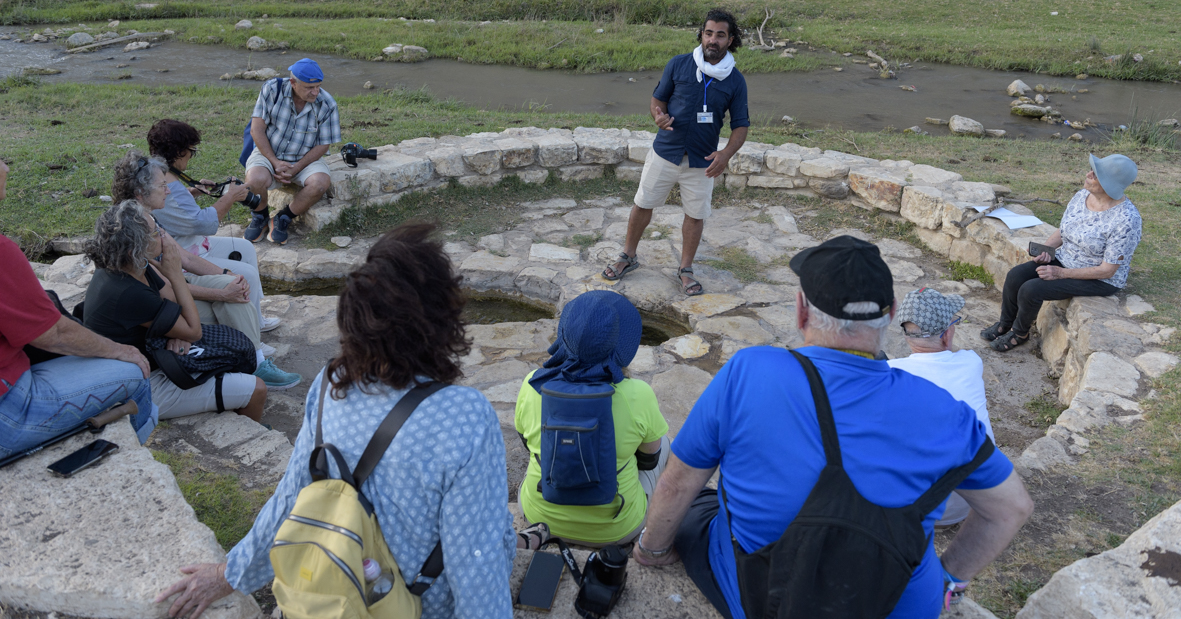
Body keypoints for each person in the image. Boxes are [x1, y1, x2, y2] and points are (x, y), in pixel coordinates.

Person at [156, 223, 546, 619]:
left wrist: (229, 574)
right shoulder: (465, 416)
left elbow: (292, 496)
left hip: (337, 588)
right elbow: (474, 561)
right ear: (441, 319)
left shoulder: (330, 385)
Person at [634, 236, 1033, 619]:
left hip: (764, 598)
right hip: (896, 603)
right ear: (892, 313)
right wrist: (948, 579)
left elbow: (675, 483)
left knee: (702, 502)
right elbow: (1011, 509)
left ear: (801, 311)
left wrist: (651, 551)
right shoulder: (945, 410)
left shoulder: (750, 370)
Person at [0, 159, 157, 457]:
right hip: (9, 411)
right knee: (135, 374)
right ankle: (123, 463)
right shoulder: (1, 251)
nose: (6, 166)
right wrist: (121, 350)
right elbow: (53, 333)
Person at [111, 151, 299, 390]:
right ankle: (255, 363)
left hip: (173, 289)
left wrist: (226, 274)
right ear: (140, 193)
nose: (168, 190)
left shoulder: (146, 217)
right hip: (158, 306)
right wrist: (223, 291)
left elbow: (186, 258)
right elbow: (164, 290)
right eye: (162, 185)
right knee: (230, 297)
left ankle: (251, 358)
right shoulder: (134, 228)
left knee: (233, 283)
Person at [603, 9, 750, 296]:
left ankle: (685, 270)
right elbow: (657, 101)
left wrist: (725, 154)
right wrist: (658, 117)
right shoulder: (679, 65)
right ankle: (627, 256)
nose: (713, 40)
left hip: (702, 160)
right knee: (643, 204)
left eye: (720, 35)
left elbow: (741, 125)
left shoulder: (735, 80)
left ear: (730, 40)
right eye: (708, 33)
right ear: (701, 35)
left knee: (695, 216)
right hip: (665, 152)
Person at [82, 200, 267, 422]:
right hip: (141, 386)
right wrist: (175, 274)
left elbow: (172, 302)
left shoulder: (131, 265)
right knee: (257, 389)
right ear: (136, 247)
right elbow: (194, 331)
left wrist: (178, 331)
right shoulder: (129, 291)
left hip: (149, 359)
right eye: (155, 232)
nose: (163, 234)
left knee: (229, 355)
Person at [514, 290, 671, 546]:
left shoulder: (533, 384)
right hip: (616, 528)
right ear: (623, 345)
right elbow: (649, 460)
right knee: (665, 442)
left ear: (564, 335)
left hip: (539, 515)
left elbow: (526, 442)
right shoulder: (638, 395)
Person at [981, 153, 1142, 353]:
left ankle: (1020, 333)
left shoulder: (1126, 220)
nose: (1088, 174)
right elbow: (1064, 229)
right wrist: (1047, 251)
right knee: (1016, 275)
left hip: (1098, 278)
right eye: (1092, 169)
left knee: (1032, 289)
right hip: (1066, 259)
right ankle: (1005, 323)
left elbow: (1108, 270)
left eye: (1096, 174)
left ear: (1110, 185)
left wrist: (1060, 273)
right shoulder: (1081, 196)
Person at [146, 119, 282, 339]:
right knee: (245, 274)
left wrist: (193, 191)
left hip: (187, 242)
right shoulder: (165, 180)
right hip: (183, 252)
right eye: (192, 151)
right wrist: (230, 197)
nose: (192, 155)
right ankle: (251, 336)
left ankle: (256, 318)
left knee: (245, 247)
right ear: (180, 151)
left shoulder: (158, 170)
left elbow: (171, 210)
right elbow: (204, 223)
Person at [888, 287, 995, 527]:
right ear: (947, 335)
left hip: (916, 508)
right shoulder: (971, 362)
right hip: (977, 501)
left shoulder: (889, 373)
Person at [243, 58, 340, 246]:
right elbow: (257, 129)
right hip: (269, 153)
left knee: (320, 184)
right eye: (309, 88)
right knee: (254, 180)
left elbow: (323, 145)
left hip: (305, 159)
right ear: (293, 83)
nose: (315, 92)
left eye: (318, 86)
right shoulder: (272, 89)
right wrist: (274, 162)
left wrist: (296, 168)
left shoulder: (327, 103)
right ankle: (260, 216)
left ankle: (283, 218)